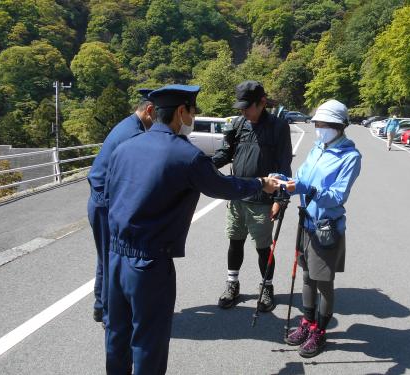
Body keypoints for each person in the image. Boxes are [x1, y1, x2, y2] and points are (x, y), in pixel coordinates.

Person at [103, 84, 280, 375]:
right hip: (148, 262)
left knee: (117, 335)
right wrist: (261, 183)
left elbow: (109, 194)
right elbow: (224, 187)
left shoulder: (125, 147)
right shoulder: (185, 155)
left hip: (115, 256)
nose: (193, 117)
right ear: (181, 112)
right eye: (193, 111)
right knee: (148, 341)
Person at [281, 99, 361, 358]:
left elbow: (338, 196)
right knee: (306, 277)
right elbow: (303, 178)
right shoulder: (317, 147)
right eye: (317, 123)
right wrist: (287, 181)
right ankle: (307, 322)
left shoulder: (350, 156)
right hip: (305, 223)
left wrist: (308, 189)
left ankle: (320, 331)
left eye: (324, 124)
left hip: (326, 227)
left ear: (339, 126)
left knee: (323, 282)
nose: (319, 128)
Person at [212, 80, 292, 312]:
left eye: (248, 107)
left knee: (263, 248)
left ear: (262, 103)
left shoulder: (278, 127)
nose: (243, 112)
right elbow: (225, 153)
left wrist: (280, 199)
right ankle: (232, 284)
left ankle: (266, 286)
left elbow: (284, 164)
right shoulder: (238, 124)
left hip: (262, 201)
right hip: (237, 196)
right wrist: (203, 167)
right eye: (241, 108)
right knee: (234, 242)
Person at [87, 89, 155, 324]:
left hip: (101, 201)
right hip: (105, 203)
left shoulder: (129, 125)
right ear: (149, 110)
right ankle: (109, 317)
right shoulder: (132, 134)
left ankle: (100, 305)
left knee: (105, 257)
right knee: (110, 259)